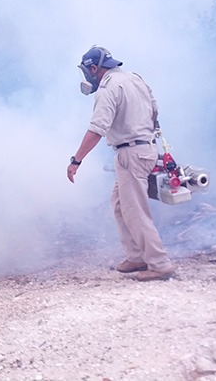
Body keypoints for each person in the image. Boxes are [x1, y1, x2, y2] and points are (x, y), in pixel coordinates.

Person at [66, 45, 176, 282]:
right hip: (145, 149)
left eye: (88, 71)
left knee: (134, 210)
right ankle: (136, 256)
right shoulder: (135, 79)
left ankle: (159, 263)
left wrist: (76, 160)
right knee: (119, 204)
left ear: (94, 68)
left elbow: (97, 129)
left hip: (131, 154)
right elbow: (154, 110)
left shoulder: (108, 88)